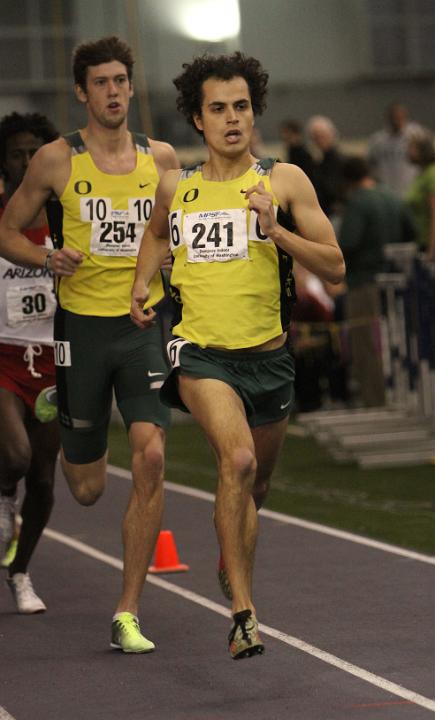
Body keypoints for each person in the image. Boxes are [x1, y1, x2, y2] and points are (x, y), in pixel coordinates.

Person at [130, 52, 345, 659]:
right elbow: (154, 233)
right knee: (239, 460)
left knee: (258, 486)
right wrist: (140, 287)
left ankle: (232, 551)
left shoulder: (285, 180)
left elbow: (335, 268)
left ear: (256, 112)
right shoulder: (180, 186)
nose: (232, 119)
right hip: (202, 357)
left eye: (242, 107)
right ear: (197, 120)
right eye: (218, 109)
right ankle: (244, 614)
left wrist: (276, 230)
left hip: (270, 361)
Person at [0, 36, 179, 652]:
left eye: (119, 82)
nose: (111, 92)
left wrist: (162, 274)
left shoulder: (163, 158)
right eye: (99, 82)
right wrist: (48, 255)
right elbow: (5, 231)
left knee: (151, 457)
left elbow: (173, 235)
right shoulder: (54, 160)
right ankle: (66, 402)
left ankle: (127, 611)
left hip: (139, 327)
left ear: (132, 87)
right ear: (82, 92)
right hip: (79, 330)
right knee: (86, 489)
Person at [0, 112, 59, 613]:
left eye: (33, 153)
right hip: (3, 357)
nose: (25, 162)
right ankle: (2, 500)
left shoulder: (66, 219)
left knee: (43, 480)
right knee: (15, 457)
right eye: (16, 153)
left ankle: (20, 572)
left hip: (55, 363)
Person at [339, 155, 416, 407]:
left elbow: (348, 242)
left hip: (364, 282)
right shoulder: (392, 196)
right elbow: (412, 233)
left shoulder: (358, 202)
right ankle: (404, 397)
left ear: (347, 181)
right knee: (400, 342)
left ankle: (375, 402)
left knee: (367, 345)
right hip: (399, 281)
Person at [367, 102, 422, 198]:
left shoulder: (416, 135)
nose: (396, 121)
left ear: (405, 117)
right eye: (394, 118)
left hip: (411, 190)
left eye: (400, 117)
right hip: (385, 191)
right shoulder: (377, 140)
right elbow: (370, 164)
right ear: (388, 119)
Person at [306, 115, 344, 220]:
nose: (319, 140)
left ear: (332, 135)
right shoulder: (315, 161)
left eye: (322, 136)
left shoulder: (339, 159)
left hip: (336, 212)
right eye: (315, 137)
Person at [405, 131, 435, 261]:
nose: (407, 151)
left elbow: (434, 215)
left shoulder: (431, 174)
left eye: (412, 148)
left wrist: (431, 250)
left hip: (428, 244)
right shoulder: (421, 174)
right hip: (420, 242)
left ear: (423, 151)